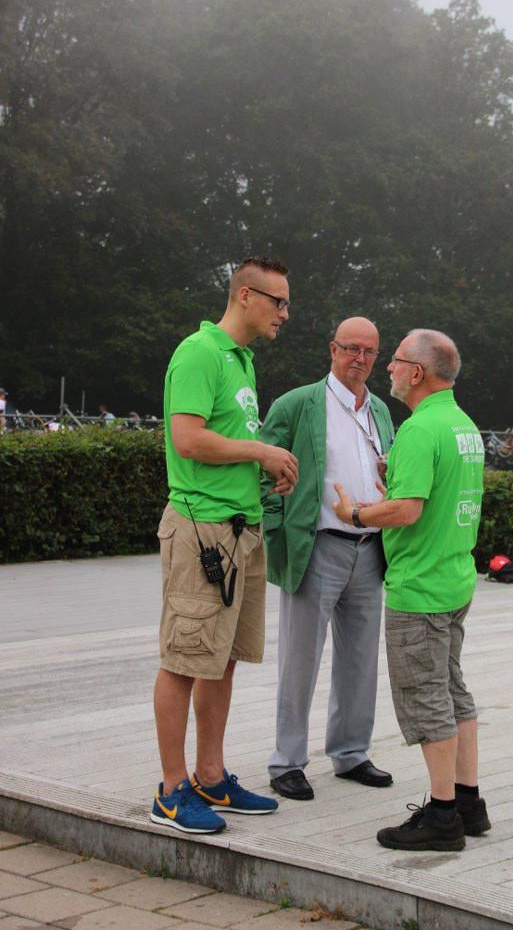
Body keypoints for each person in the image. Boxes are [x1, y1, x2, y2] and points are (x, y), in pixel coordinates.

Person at [150, 255, 298, 836]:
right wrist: (261, 452)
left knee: (222, 658)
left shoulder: (242, 362)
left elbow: (227, 441)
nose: (285, 313)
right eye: (277, 301)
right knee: (183, 659)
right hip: (200, 531)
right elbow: (187, 439)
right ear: (244, 295)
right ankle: (170, 790)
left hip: (242, 529)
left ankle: (211, 778)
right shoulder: (199, 353)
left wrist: (267, 471)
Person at [333, 329, 490, 852]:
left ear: (418, 372)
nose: (388, 370)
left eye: (396, 361)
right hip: (453, 577)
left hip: (419, 587)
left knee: (427, 700)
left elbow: (408, 510)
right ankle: (469, 803)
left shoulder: (422, 429)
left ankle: (443, 816)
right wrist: (393, 474)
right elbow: (433, 492)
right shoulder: (462, 425)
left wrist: (353, 512)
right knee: (452, 691)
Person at [261, 317, 395, 801]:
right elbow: (262, 470)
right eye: (350, 348)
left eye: (369, 352)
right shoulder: (298, 404)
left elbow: (391, 472)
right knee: (300, 659)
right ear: (332, 349)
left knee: (360, 658)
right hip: (318, 544)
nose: (359, 359)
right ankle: (287, 761)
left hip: (369, 548)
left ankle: (351, 752)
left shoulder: (380, 409)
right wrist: (276, 531)